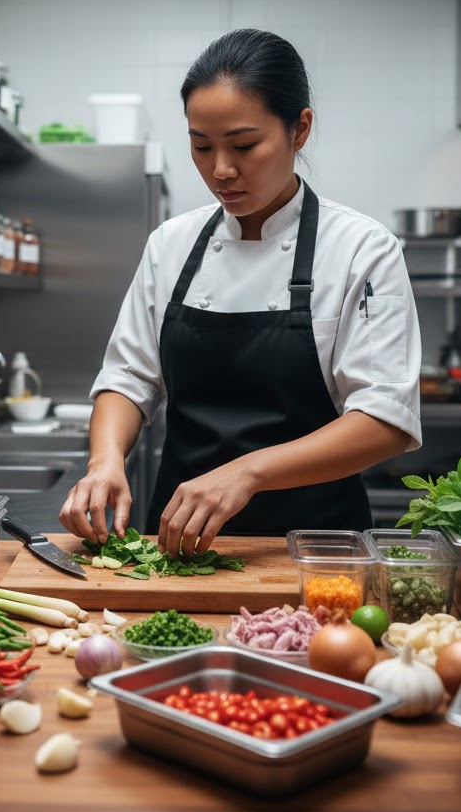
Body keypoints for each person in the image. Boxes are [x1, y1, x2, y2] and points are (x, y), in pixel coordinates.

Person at [59, 28, 422, 556]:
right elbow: (129, 375)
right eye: (201, 146)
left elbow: (385, 417)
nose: (221, 171)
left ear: (299, 130)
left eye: (245, 145)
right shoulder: (172, 243)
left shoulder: (362, 248)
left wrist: (248, 473)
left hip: (315, 551)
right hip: (178, 547)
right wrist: (105, 460)